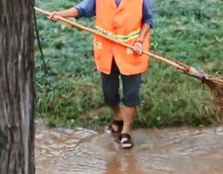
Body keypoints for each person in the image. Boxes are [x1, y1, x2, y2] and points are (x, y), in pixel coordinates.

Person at [48, 0, 154, 149]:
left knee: (131, 94)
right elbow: (81, 9)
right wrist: (60, 14)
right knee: (109, 93)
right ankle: (118, 116)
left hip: (131, 53)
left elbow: (148, 20)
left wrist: (140, 40)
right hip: (107, 52)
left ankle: (126, 132)